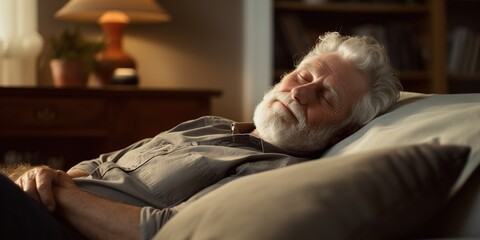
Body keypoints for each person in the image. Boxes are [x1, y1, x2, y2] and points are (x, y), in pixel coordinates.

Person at [0, 32, 401, 240]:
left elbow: (168, 232)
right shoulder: (209, 123)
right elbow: (97, 167)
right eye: (302, 76)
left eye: (325, 95)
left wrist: (63, 195)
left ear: (343, 131)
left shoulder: (274, 172)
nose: (299, 92)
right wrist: (41, 177)